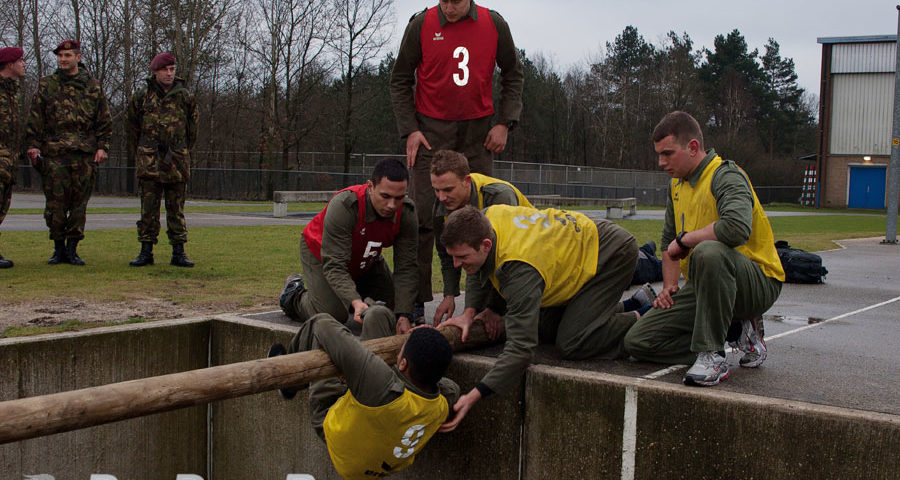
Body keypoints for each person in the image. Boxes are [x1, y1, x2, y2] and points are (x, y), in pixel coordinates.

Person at [437, 204, 653, 431]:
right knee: (545, 325)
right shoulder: (486, 219)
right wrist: (471, 312)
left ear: (486, 245)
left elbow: (522, 348)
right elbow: (481, 269)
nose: (456, 265)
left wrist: (475, 394)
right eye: (452, 257)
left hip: (610, 253)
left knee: (573, 342)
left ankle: (644, 317)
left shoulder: (519, 267)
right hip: (576, 250)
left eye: (461, 257)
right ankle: (629, 305)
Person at [623, 111, 785, 387]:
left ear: (693, 147)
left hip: (756, 283)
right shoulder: (676, 185)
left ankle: (713, 355)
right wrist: (669, 288)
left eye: (668, 153)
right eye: (659, 154)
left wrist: (686, 239)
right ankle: (732, 330)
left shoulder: (725, 176)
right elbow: (667, 243)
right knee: (638, 342)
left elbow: (735, 228)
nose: (661, 162)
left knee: (707, 251)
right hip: (706, 286)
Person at [390, 0, 524, 321]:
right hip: (431, 132)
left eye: (457, 1)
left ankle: (490, 305)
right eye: (444, 0)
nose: (449, 7)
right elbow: (400, 79)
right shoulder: (422, 25)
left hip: (478, 135)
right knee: (422, 217)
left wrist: (504, 123)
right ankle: (416, 302)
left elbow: (513, 74)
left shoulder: (494, 24)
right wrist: (409, 129)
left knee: (487, 217)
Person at [268, 308, 459, 480]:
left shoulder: (379, 383)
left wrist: (354, 367)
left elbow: (322, 324)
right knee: (379, 314)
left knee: (323, 340)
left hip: (336, 430)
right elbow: (450, 386)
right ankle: (370, 312)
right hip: (378, 454)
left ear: (403, 364)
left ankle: (288, 386)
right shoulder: (444, 401)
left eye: (400, 352)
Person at [279, 158, 418, 334]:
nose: (392, 205)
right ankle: (293, 295)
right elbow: (335, 265)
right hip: (322, 252)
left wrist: (404, 315)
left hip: (365, 255)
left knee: (397, 304)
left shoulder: (406, 213)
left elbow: (407, 267)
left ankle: (355, 292)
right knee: (332, 313)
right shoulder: (346, 206)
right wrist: (354, 301)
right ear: (370, 187)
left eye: (399, 198)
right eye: (385, 196)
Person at [25, 40, 112, 266]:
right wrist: (33, 145)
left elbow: (103, 121)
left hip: (84, 155)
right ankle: (58, 248)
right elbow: (35, 119)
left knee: (78, 205)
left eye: (68, 55)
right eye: (60, 56)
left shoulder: (93, 86)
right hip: (54, 154)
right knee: (55, 204)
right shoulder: (47, 85)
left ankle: (73, 249)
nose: (63, 59)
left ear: (78, 58)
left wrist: (103, 147)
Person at [429, 149, 532, 325]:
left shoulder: (499, 196)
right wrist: (449, 294)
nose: (442, 197)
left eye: (448, 189)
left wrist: (493, 308)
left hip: (525, 259)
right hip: (493, 258)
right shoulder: (441, 206)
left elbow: (505, 257)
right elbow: (447, 255)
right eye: (436, 190)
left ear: (466, 181)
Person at [126, 52, 199, 268]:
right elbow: (132, 128)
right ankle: (145, 250)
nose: (169, 73)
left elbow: (192, 130)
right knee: (148, 209)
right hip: (150, 161)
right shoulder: (142, 96)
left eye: (172, 69)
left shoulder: (185, 97)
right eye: (165, 70)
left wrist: (181, 151)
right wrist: (143, 152)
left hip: (176, 161)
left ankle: (179, 251)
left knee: (176, 208)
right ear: (155, 72)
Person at [0, 46, 25, 269]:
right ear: (10, 65)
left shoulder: (11, 93)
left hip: (8, 161)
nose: (23, 64)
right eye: (20, 61)